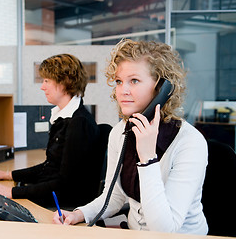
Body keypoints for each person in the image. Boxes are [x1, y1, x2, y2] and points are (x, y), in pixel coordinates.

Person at [53, 39, 208, 235]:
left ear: (162, 88)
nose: (122, 91)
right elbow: (114, 196)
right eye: (119, 81)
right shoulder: (120, 133)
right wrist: (79, 214)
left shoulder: (189, 142)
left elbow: (166, 229)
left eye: (134, 81)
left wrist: (147, 158)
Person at [0, 53, 104, 208]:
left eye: (46, 81)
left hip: (62, 203)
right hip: (52, 192)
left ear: (64, 82)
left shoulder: (79, 123)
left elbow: (64, 183)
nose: (42, 86)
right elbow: (49, 167)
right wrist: (7, 175)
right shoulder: (65, 118)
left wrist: (12, 191)